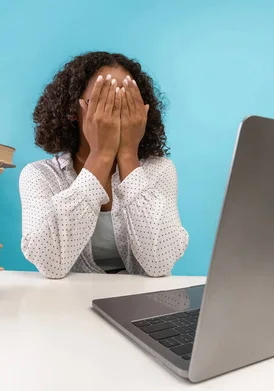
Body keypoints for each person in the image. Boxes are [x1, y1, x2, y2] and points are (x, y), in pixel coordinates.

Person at [19, 51, 189, 279]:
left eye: (127, 102)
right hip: (67, 303)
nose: (115, 113)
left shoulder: (160, 170)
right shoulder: (39, 176)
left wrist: (128, 154)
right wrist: (101, 155)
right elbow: (52, 264)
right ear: (74, 111)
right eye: (103, 101)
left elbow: (160, 264)